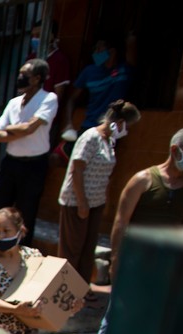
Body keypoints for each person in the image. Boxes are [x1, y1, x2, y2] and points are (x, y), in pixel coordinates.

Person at [86, 127, 183, 334]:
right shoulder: (143, 180)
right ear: (175, 150)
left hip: (168, 262)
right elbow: (121, 223)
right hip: (135, 259)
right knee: (118, 312)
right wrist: (116, 259)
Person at [56, 100, 141, 283]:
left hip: (96, 201)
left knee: (87, 249)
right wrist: (82, 202)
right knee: (72, 249)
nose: (127, 130)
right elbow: (77, 170)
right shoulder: (90, 137)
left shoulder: (109, 141)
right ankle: (64, 289)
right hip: (77, 201)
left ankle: (81, 289)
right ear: (119, 122)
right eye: (127, 125)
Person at [0, 59, 59, 249]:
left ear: (36, 78)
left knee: (27, 209)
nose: (20, 78)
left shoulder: (48, 99)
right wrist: (20, 130)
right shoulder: (14, 102)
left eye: (24, 75)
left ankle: (21, 249)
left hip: (34, 164)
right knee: (0, 205)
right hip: (11, 162)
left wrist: (11, 131)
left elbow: (30, 128)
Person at [62, 39, 131, 141]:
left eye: (99, 49)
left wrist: (131, 38)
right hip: (89, 125)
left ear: (111, 51)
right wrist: (68, 123)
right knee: (57, 155)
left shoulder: (123, 70)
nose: (95, 53)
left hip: (110, 130)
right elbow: (72, 99)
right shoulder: (89, 71)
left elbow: (132, 54)